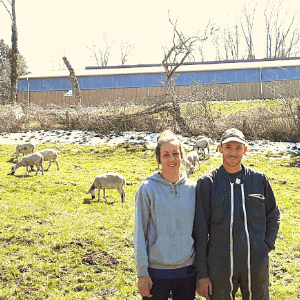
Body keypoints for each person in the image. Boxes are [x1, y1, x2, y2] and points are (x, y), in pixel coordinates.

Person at [193, 128, 280, 300]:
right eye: (228, 147)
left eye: (238, 148)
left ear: (245, 150)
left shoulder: (259, 179)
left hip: (256, 263)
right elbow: (200, 230)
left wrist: (266, 246)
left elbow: (273, 215)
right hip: (220, 265)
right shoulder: (207, 183)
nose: (233, 152)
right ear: (220, 148)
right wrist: (202, 274)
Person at [134, 130, 197, 300]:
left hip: (187, 270)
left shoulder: (193, 189)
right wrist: (142, 272)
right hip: (156, 271)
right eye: (166, 155)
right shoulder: (147, 189)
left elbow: (199, 230)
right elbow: (140, 232)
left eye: (175, 154)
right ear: (158, 159)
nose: (171, 159)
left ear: (182, 156)